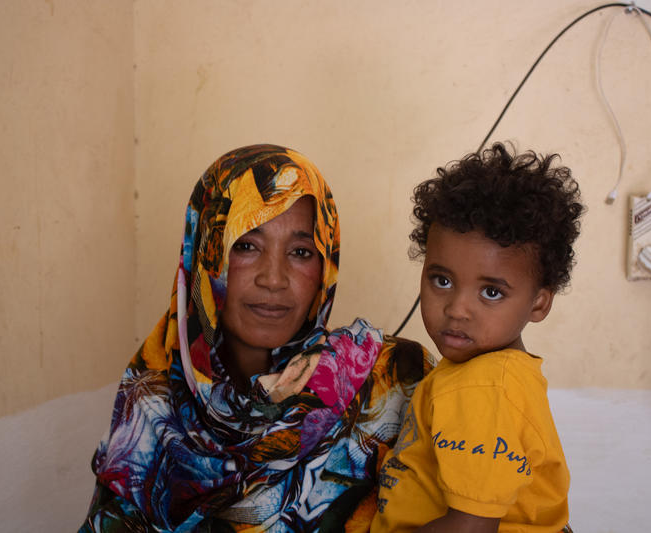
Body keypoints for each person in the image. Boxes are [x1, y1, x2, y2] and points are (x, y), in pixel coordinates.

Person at [79, 144, 434, 532]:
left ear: (326, 266)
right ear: (204, 255)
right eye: (246, 245)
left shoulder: (392, 382)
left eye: (301, 252)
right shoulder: (153, 401)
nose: (273, 279)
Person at [372, 143, 584, 533]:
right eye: (442, 280)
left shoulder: (484, 387)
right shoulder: (488, 374)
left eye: (491, 292)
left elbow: (470, 528)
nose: (457, 309)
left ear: (539, 303)